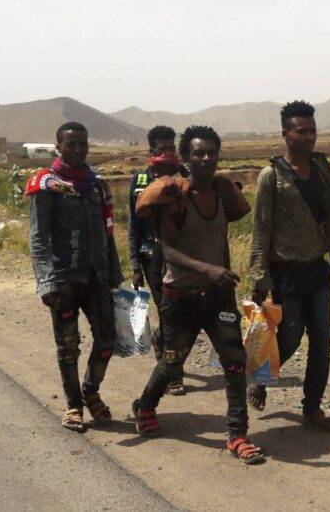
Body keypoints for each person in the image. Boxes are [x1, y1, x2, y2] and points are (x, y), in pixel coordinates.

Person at [131, 125, 264, 464]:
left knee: (234, 361)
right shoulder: (174, 196)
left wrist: (216, 273)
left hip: (218, 296)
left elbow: (234, 216)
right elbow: (168, 251)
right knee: (173, 361)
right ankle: (145, 404)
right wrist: (207, 268)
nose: (206, 158)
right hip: (181, 296)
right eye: (198, 153)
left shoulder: (222, 192)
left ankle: (237, 434)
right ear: (186, 159)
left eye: (211, 153)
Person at [248, 100, 330, 432]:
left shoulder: (322, 171)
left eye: (313, 131)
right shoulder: (271, 176)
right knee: (290, 336)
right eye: (302, 131)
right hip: (286, 272)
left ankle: (312, 409)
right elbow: (261, 228)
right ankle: (260, 377)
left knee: (322, 337)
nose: (310, 137)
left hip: (317, 270)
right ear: (285, 134)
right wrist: (259, 274)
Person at [26, 121, 124, 432]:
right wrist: (46, 282)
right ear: (59, 147)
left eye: (83, 144)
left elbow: (107, 232)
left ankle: (90, 391)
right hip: (63, 279)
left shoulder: (96, 183)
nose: (79, 150)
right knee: (68, 347)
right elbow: (38, 238)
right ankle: (73, 406)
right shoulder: (46, 184)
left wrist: (115, 276)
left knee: (108, 339)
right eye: (72, 145)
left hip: (97, 277)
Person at [127, 125, 189, 395]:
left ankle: (161, 343)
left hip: (181, 257)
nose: (166, 153)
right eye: (161, 149)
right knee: (169, 313)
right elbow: (132, 224)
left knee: (178, 314)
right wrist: (133, 265)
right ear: (151, 151)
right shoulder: (140, 181)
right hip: (151, 256)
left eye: (170, 148)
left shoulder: (185, 176)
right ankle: (173, 375)